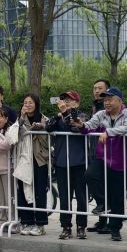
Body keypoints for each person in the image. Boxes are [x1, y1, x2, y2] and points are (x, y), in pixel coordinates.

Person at [79, 87, 127, 241]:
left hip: (122, 161)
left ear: (120, 101)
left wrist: (108, 132)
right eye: (105, 100)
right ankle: (103, 203)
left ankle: (115, 229)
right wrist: (80, 125)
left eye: (110, 99)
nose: (107, 103)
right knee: (90, 175)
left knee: (118, 196)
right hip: (102, 157)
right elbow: (89, 125)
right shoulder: (101, 114)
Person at [46, 90, 89, 239]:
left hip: (79, 163)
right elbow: (48, 127)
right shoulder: (59, 117)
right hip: (61, 163)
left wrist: (65, 113)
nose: (66, 102)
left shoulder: (82, 116)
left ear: (77, 103)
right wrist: (59, 115)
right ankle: (66, 226)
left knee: (81, 197)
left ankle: (81, 226)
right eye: (64, 100)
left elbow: (75, 127)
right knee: (64, 197)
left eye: (70, 100)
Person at [7, 94, 50, 236]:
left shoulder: (44, 120)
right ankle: (27, 221)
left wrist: (41, 129)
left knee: (39, 192)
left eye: (30, 102)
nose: (28, 105)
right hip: (23, 159)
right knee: (23, 191)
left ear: (36, 104)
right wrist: (21, 119)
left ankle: (40, 224)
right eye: (25, 103)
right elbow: (12, 137)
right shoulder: (20, 120)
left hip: (39, 159)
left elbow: (48, 143)